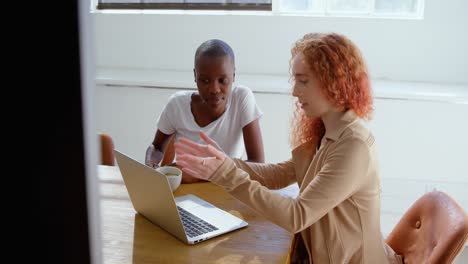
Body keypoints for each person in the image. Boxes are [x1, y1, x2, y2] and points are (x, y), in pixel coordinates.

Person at [174, 33, 403, 263]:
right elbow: (277, 175)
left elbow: (297, 215)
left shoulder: (354, 146)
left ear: (333, 82)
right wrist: (225, 163)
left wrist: (227, 176)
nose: (294, 91)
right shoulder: (328, 133)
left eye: (303, 81)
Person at [145, 39, 265, 183]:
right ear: (195, 76)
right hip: (186, 191)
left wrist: (198, 173)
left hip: (226, 190)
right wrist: (151, 164)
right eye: (205, 81)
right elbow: (156, 147)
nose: (214, 89)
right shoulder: (177, 105)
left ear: (233, 75)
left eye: (222, 80)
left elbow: (258, 165)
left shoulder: (242, 99)